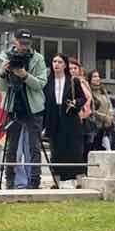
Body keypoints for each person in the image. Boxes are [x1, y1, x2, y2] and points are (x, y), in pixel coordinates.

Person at [0, 32, 47, 190]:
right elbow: (0, 86)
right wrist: (4, 74)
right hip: (13, 106)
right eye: (22, 42)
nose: (25, 46)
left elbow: (40, 84)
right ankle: (9, 180)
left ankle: (34, 181)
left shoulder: (37, 58)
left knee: (34, 146)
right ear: (14, 41)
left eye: (27, 43)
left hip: (33, 107)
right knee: (11, 146)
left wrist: (24, 75)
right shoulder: (4, 57)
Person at [41, 53, 89, 186]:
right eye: (54, 61)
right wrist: (43, 125)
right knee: (56, 152)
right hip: (53, 119)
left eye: (60, 62)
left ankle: (79, 182)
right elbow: (44, 103)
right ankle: (56, 182)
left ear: (65, 65)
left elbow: (83, 98)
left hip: (70, 118)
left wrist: (75, 103)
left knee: (74, 151)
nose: (56, 64)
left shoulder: (73, 81)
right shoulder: (47, 82)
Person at [87, 69, 114, 153]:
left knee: (104, 152)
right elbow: (90, 110)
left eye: (98, 76)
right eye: (94, 76)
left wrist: (110, 116)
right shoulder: (88, 91)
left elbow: (109, 105)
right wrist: (104, 117)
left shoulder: (103, 91)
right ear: (90, 79)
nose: (97, 78)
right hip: (94, 127)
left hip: (105, 128)